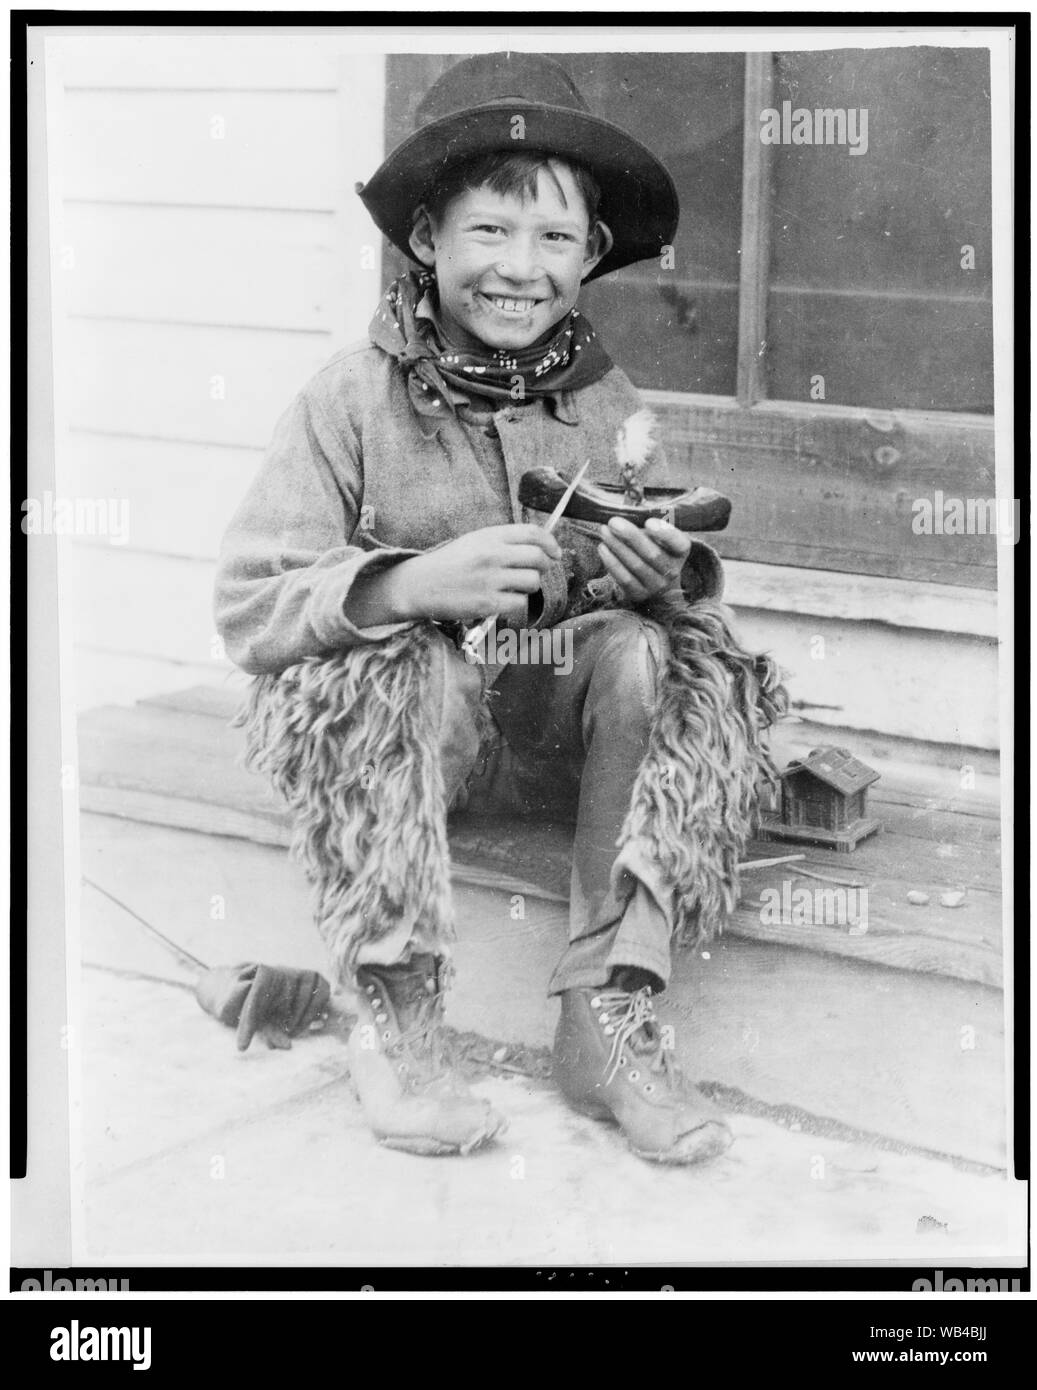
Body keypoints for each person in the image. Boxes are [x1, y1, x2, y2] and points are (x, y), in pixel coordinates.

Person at [214, 52, 785, 1164]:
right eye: (489, 232)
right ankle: (396, 1009)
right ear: (427, 239)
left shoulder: (606, 402)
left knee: (652, 654)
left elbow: (648, 569)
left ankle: (605, 1013)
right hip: (413, 763)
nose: (520, 268)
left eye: (554, 239)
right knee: (406, 663)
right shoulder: (348, 399)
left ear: (589, 257)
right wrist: (405, 585)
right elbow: (249, 602)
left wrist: (650, 577)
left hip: (563, 749)